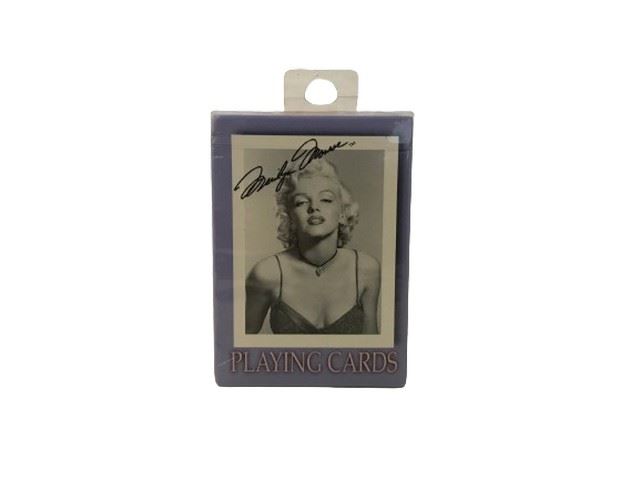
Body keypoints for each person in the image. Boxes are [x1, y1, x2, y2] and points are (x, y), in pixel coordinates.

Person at [245, 158, 380, 334]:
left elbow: (372, 345)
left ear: (342, 212)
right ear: (289, 217)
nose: (314, 207)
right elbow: (239, 344)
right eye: (301, 202)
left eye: (326, 199)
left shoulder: (365, 269)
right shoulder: (266, 273)